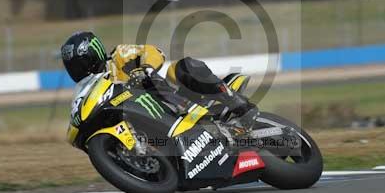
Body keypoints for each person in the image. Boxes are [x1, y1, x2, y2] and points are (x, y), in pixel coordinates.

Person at [60, 31, 258, 127]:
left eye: (82, 63)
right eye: (74, 67)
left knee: (181, 67)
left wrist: (144, 68)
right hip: (150, 120)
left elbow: (154, 52)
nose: (80, 70)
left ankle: (235, 102)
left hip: (172, 98)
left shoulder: (119, 55)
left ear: (95, 54)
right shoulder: (91, 91)